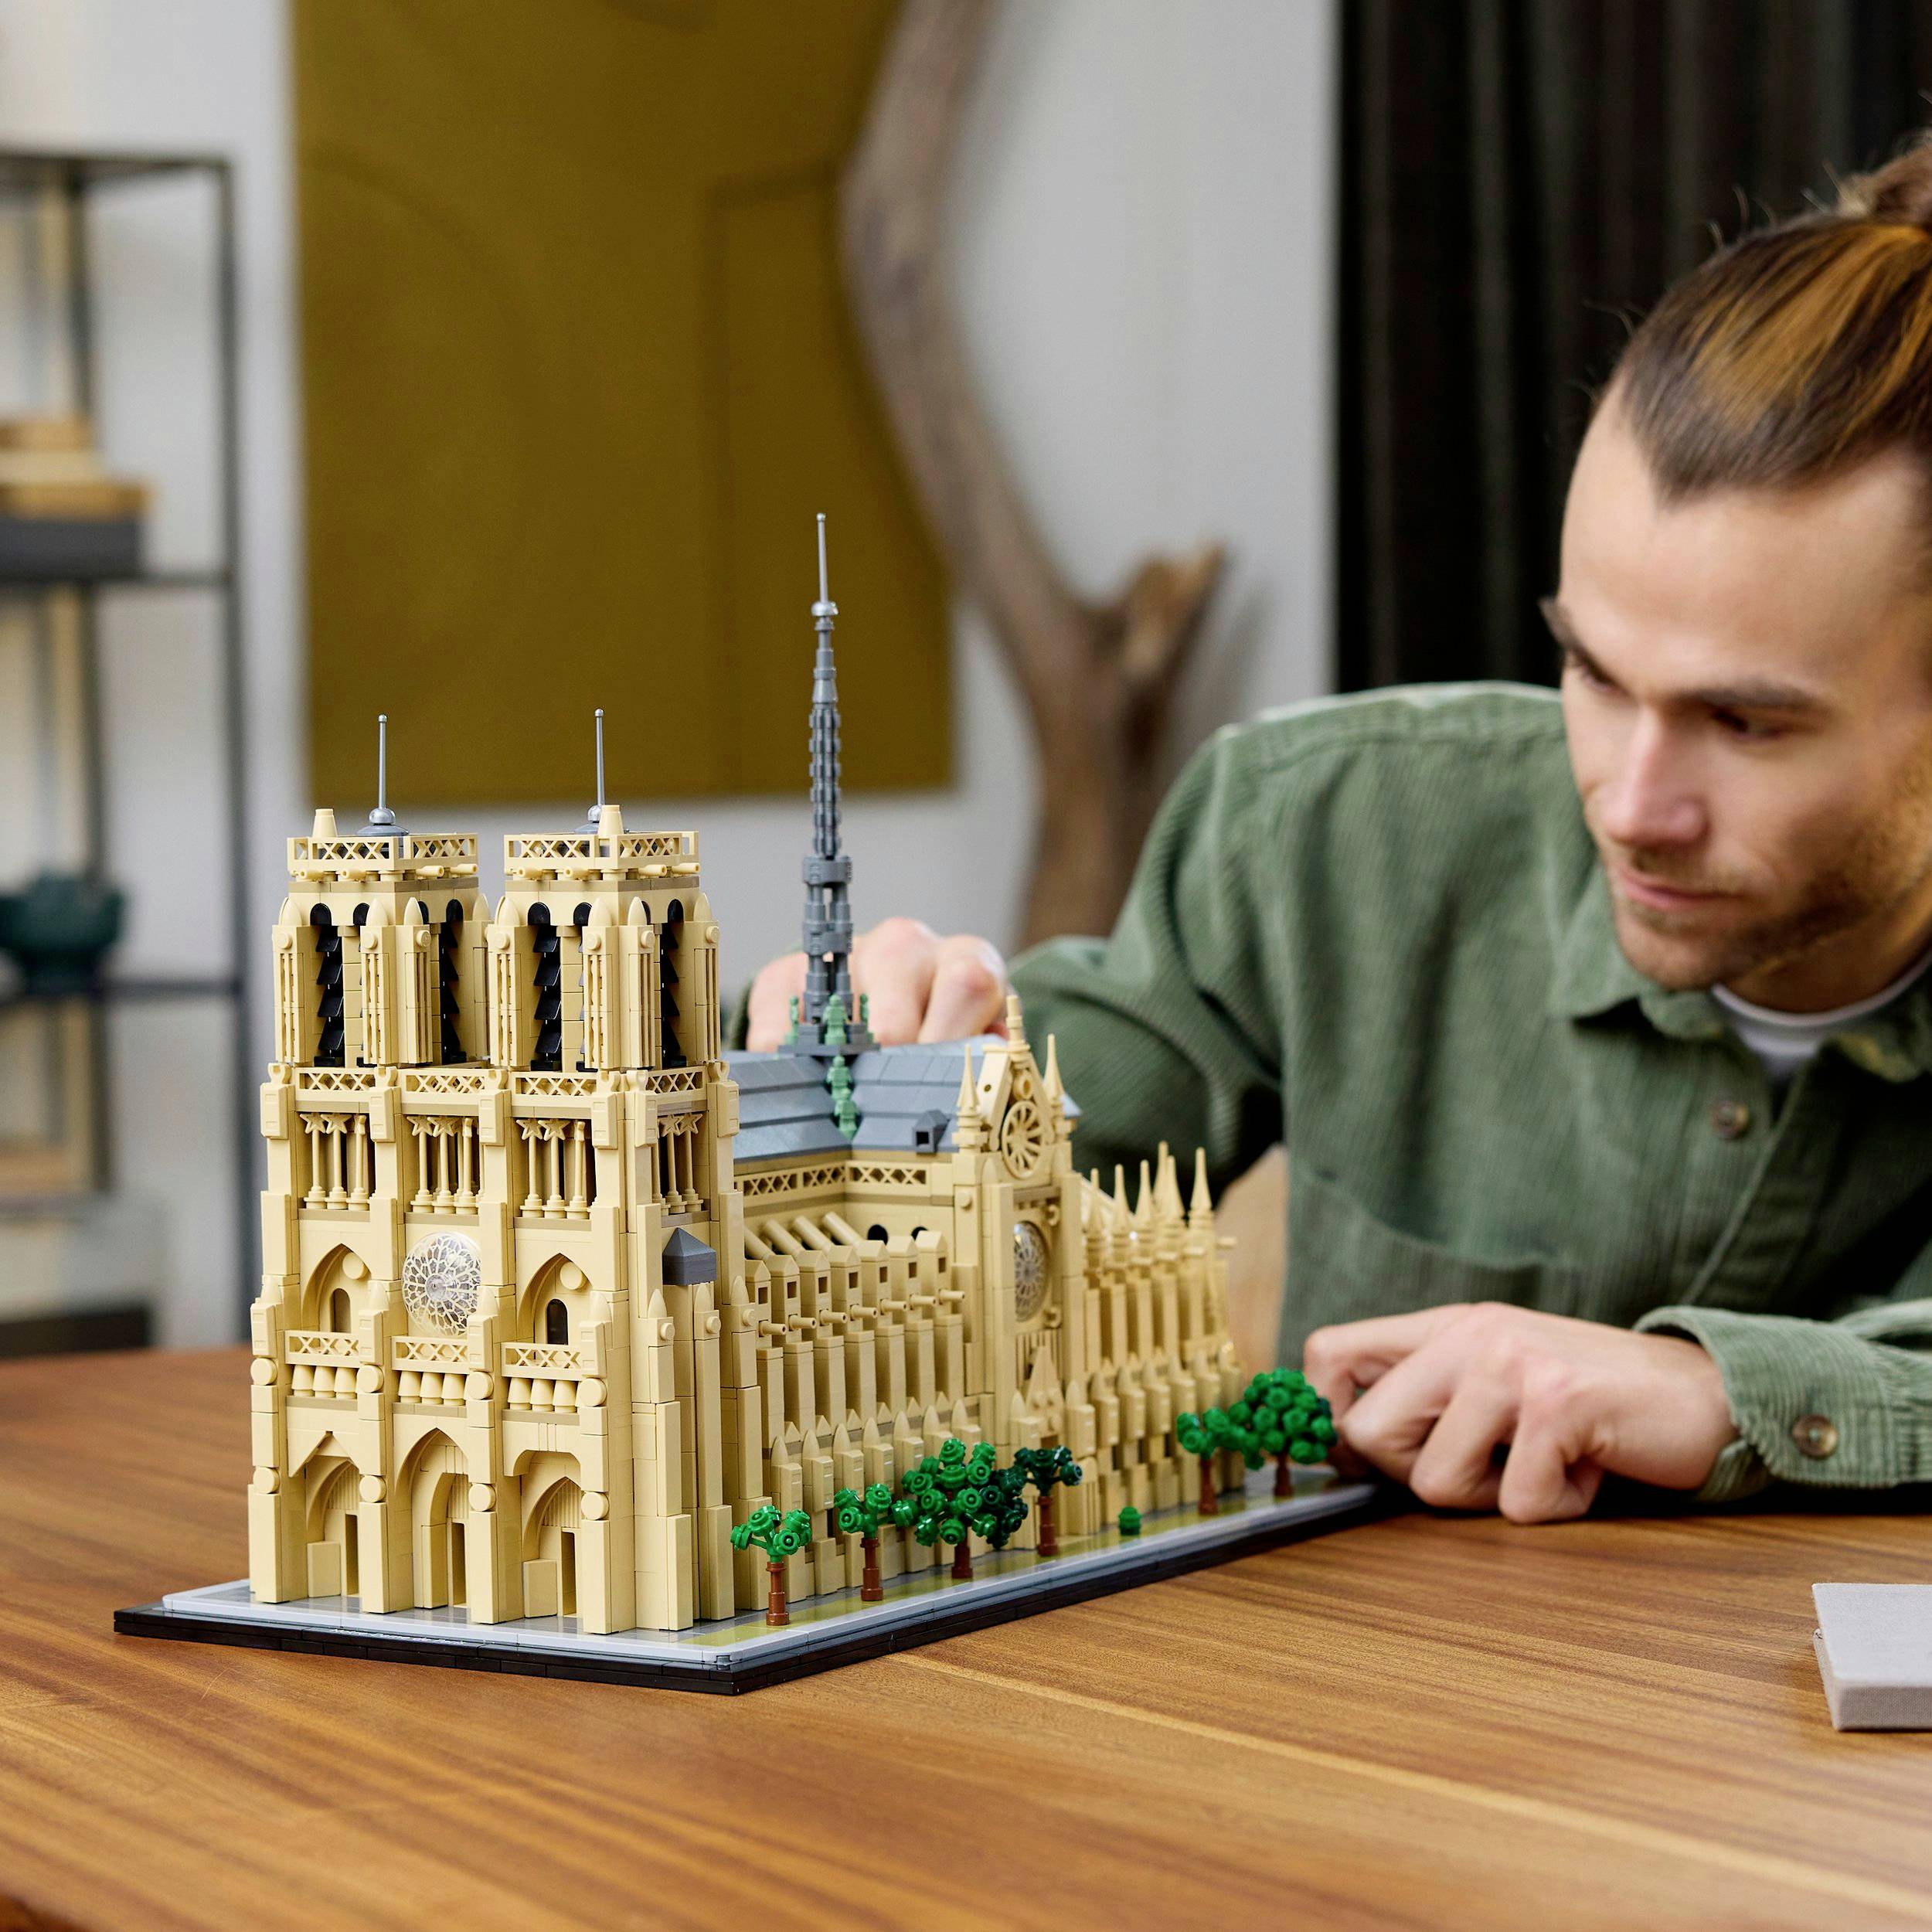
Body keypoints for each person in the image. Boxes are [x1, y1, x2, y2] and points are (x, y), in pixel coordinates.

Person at [747, 141, 1932, 1524]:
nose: (1628, 801)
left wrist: (1715, 1391)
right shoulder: (1320, 833)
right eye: (1595, 674)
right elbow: (1005, 1161)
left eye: (1745, 723)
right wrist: (855, 1083)